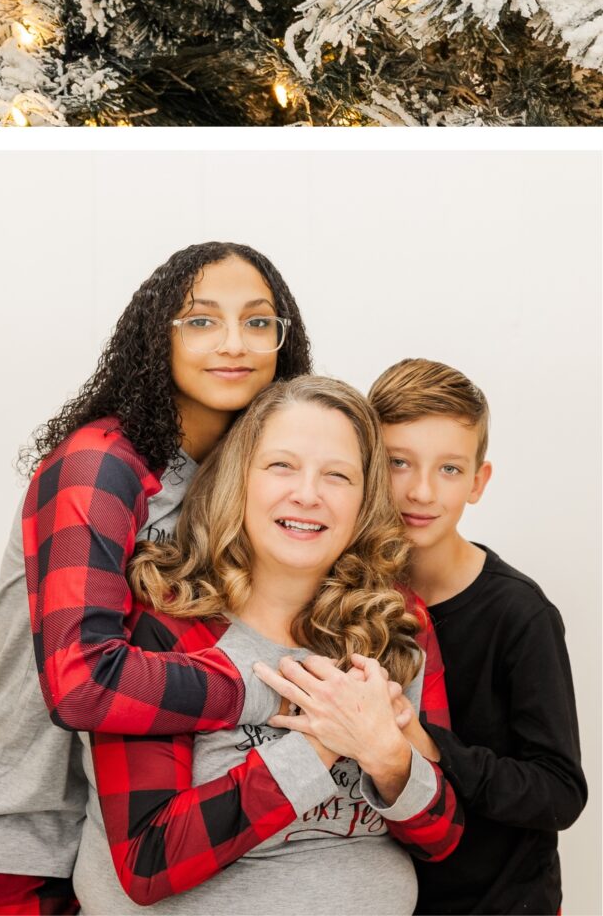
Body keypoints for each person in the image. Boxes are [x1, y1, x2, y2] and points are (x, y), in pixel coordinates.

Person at [0, 244, 309, 913]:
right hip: (22, 840)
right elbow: (81, 681)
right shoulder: (101, 466)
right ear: (156, 336)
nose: (233, 344)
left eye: (257, 322)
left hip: (127, 838)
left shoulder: (242, 480)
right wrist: (274, 698)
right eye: (200, 320)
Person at [74, 373, 463, 908]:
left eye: (338, 476)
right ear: (241, 479)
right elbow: (148, 862)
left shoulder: (395, 622)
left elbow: (441, 835)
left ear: (364, 500)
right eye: (282, 465)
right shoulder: (167, 624)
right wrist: (323, 741)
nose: (307, 495)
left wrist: (387, 754)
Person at [371, 358, 586, 914]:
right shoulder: (349, 597)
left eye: (447, 469)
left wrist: (432, 751)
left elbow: (560, 792)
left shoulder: (521, 614)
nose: (421, 491)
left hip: (503, 902)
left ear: (477, 482)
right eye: (399, 462)